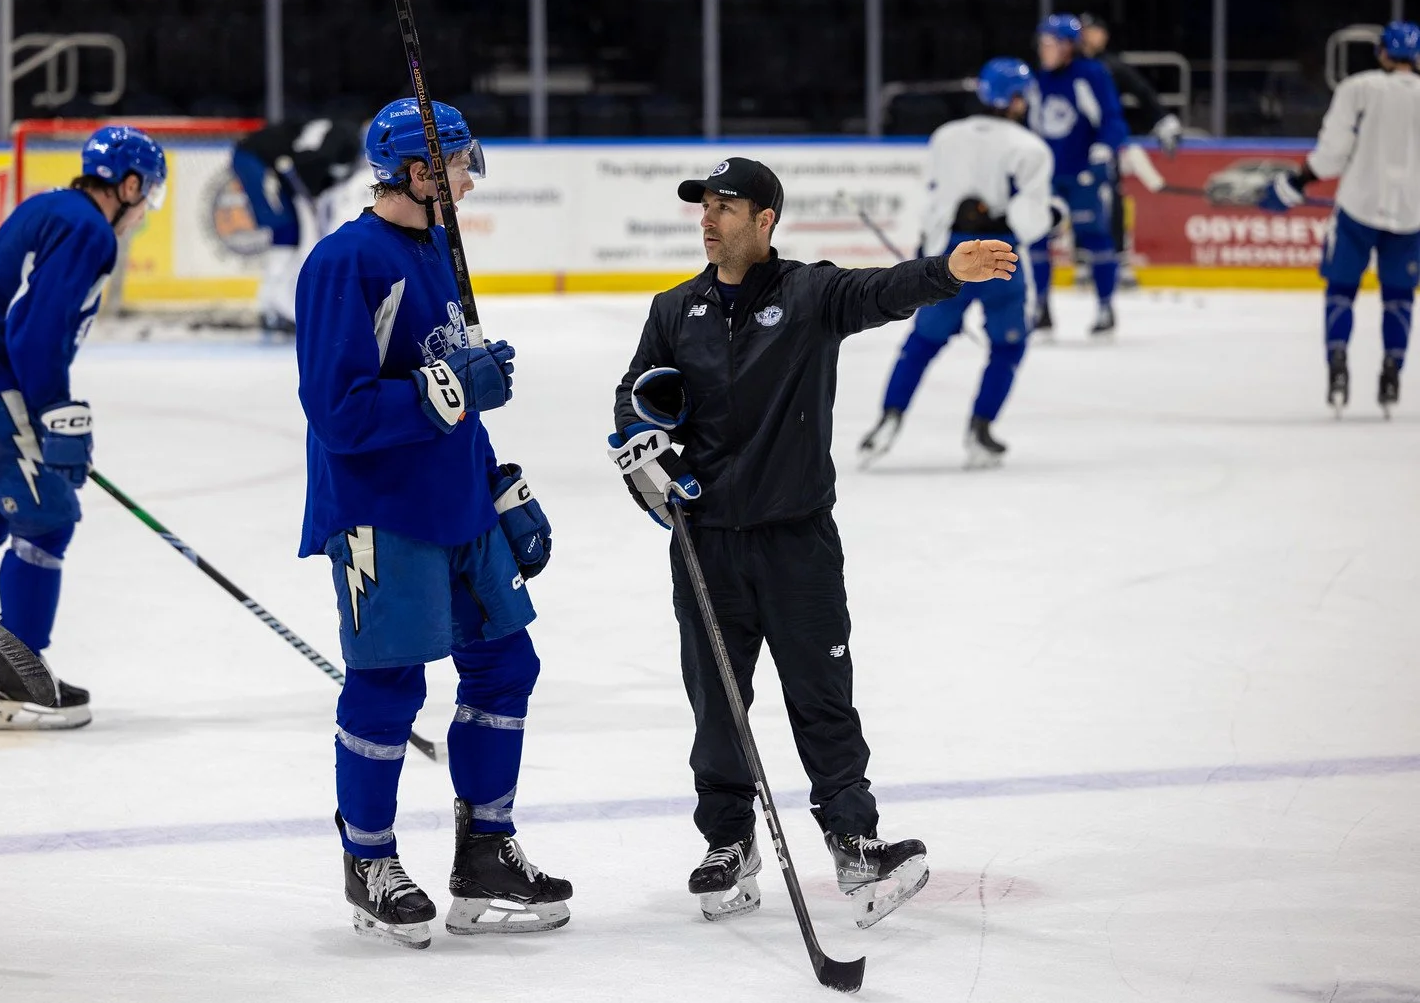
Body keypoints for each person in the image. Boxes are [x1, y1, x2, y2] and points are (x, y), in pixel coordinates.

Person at [608, 156, 1016, 929]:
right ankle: (729, 843)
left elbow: (880, 291)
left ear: (765, 221)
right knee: (718, 705)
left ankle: (854, 840)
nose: (708, 218)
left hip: (796, 542)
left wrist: (946, 272)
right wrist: (644, 451)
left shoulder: (808, 294)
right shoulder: (673, 310)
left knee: (822, 699)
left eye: (725, 207)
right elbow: (632, 402)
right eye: (704, 206)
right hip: (707, 543)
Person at [294, 96, 570, 951]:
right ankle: (369, 860)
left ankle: (485, 852)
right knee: (389, 683)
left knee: (505, 664)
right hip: (383, 509)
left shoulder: (439, 253)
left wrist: (500, 485)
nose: (467, 176)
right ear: (416, 171)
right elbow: (337, 411)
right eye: (454, 163)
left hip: (459, 503)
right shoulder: (347, 262)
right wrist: (450, 389)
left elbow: (456, 396)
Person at [0, 125, 167, 731]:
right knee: (47, 521)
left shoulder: (51, 206)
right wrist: (56, 414)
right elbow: (34, 330)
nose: (144, 208)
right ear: (126, 184)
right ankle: (21, 684)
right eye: (145, 193)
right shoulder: (88, 228)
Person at [860, 58, 1056, 468]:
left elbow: (935, 203)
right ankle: (980, 430)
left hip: (952, 255)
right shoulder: (1030, 148)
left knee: (922, 343)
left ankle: (888, 419)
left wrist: (924, 254)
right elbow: (1029, 220)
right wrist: (1055, 213)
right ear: (1016, 99)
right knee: (1008, 345)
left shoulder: (946, 137)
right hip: (1000, 257)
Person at [1261, 21, 1420, 418]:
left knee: (1340, 291)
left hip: (1357, 208)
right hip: (1412, 214)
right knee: (1399, 298)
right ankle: (1391, 371)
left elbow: (1331, 154)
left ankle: (1337, 364)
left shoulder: (1358, 88)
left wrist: (1295, 183)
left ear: (1382, 52)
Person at [1028, 13, 1129, 338]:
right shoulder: (1037, 80)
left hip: (1084, 174)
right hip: (1048, 177)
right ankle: (1041, 307)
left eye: (1050, 43)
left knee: (1095, 237)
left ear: (1068, 46)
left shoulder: (1091, 74)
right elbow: (1032, 127)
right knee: (1038, 240)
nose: (1044, 49)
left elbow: (1113, 119)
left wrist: (1103, 151)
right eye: (1041, 43)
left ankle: (1105, 307)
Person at [232, 118, 364, 333]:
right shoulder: (334, 137)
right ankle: (271, 308)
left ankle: (271, 307)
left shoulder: (330, 134)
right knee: (285, 231)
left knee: (287, 233)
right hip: (253, 159)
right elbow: (304, 165)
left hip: (264, 161)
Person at [1078, 13, 1182, 275]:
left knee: (1111, 198)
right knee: (1078, 200)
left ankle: (1118, 257)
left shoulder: (1111, 66)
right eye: (1084, 31)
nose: (1088, 36)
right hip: (1073, 144)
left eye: (1093, 30)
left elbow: (1143, 92)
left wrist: (1163, 119)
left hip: (1104, 143)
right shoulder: (1068, 67)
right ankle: (1082, 257)